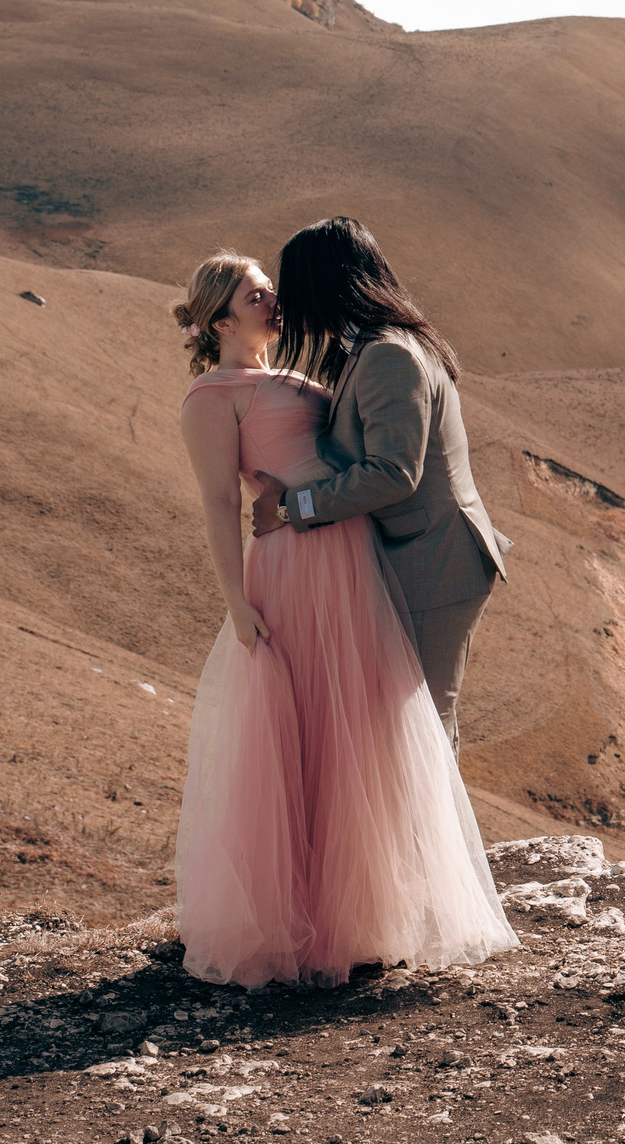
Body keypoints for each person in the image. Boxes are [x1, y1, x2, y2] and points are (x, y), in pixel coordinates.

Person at [170, 251, 516, 989]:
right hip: (292, 568)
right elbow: (215, 501)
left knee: (356, 729)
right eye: (258, 293)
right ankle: (299, 922)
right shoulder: (211, 396)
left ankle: (362, 919)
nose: (274, 299)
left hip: (351, 560)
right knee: (305, 735)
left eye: (270, 288)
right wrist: (234, 600)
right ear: (222, 317)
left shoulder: (303, 377)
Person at [248, 216, 513, 745]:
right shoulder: (373, 347)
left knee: (426, 727)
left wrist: (288, 508)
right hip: (422, 555)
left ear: (324, 284)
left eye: (294, 286)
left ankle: (441, 833)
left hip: (435, 562)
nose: (288, 303)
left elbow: (394, 473)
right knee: (409, 723)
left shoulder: (388, 354)